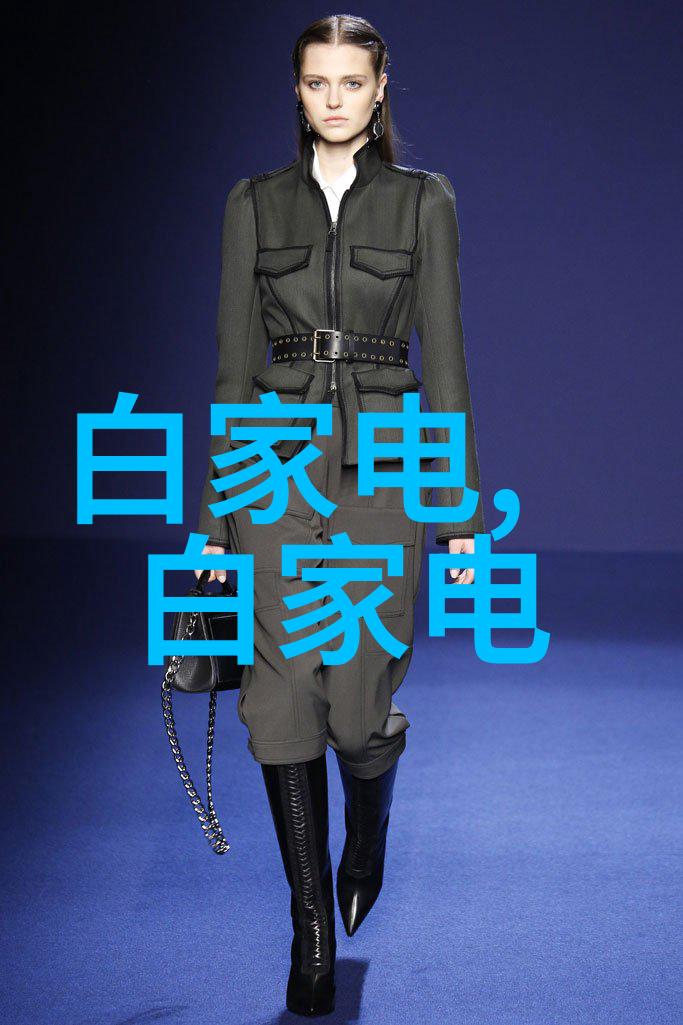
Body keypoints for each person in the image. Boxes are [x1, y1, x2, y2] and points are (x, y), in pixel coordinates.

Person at [194, 13, 485, 1017]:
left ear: (378, 88)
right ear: (296, 88)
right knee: (278, 699)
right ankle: (310, 926)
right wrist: (214, 518)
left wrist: (456, 513)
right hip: (272, 468)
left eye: (349, 82)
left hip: (382, 468)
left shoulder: (420, 200)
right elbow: (232, 366)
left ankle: (367, 827)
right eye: (316, 82)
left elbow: (444, 360)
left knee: (358, 708)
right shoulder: (252, 202)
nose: (332, 98)